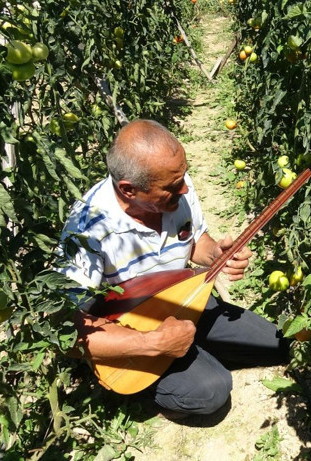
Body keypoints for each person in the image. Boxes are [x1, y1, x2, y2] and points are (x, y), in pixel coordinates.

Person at [57, 119, 290, 418]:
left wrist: (216, 253)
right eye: (170, 187)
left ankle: (191, 346)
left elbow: (195, 242)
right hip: (135, 329)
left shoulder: (178, 186)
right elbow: (66, 330)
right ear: (129, 190)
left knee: (277, 344)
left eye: (183, 176)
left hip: (185, 299)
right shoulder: (87, 233)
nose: (184, 188)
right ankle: (151, 376)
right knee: (212, 390)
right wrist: (153, 344)